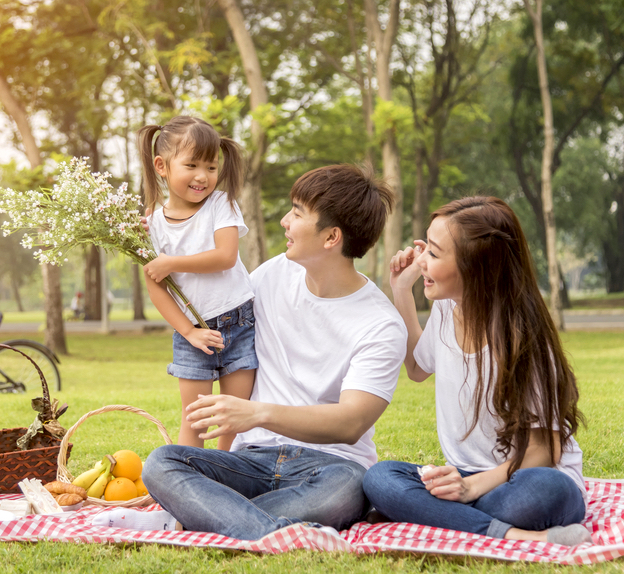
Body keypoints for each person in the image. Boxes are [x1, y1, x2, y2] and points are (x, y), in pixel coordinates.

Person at [94, 164, 406, 540]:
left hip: (331, 467)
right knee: (163, 463)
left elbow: (350, 423)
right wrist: (160, 238)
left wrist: (256, 412)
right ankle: (271, 531)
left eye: (297, 212)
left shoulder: (380, 323)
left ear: (331, 237)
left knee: (345, 493)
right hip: (248, 461)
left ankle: (210, 518)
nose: (284, 222)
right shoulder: (272, 276)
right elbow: (204, 300)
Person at [362, 196, 591, 546]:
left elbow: (543, 454)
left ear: (475, 267)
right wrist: (400, 290)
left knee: (549, 492)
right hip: (466, 477)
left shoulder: (524, 339)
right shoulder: (445, 309)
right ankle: (517, 535)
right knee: (379, 477)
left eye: (434, 253)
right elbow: (417, 368)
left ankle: (438, 515)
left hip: (523, 478)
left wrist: (470, 489)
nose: (420, 259)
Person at [138, 116, 257, 450]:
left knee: (234, 421)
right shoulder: (154, 223)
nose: (203, 176)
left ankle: (229, 478)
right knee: (196, 420)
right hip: (191, 332)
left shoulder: (221, 204)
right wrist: (188, 332)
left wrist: (172, 262)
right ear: (161, 165)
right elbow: (155, 286)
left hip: (239, 324)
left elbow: (225, 256)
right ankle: (187, 485)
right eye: (191, 165)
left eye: (211, 166)